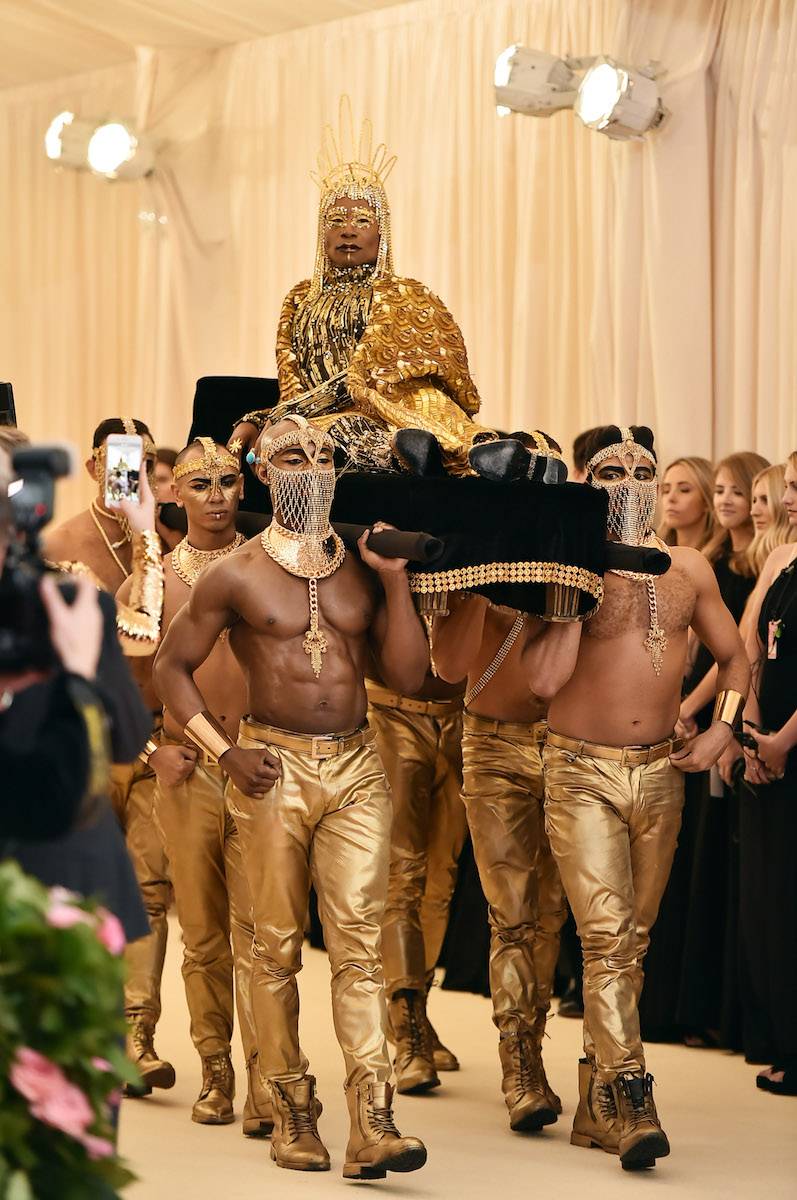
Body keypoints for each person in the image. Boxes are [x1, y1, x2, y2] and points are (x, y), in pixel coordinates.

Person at [154, 414, 428, 1179]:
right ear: (264, 473)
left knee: (360, 949)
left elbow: (406, 678)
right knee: (271, 947)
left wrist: (396, 582)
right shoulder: (234, 572)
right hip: (270, 767)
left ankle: (373, 1121)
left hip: (356, 766)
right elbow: (172, 669)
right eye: (291, 455)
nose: (309, 465)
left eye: (322, 454)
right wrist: (224, 750)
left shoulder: (360, 565)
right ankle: (289, 1107)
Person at [538, 425, 749, 1171]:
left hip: (658, 771)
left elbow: (733, 660)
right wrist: (571, 592)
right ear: (584, 479)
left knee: (633, 942)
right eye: (612, 470)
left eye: (641, 469)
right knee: (604, 937)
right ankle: (630, 1097)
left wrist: (722, 733)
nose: (629, 482)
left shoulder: (688, 566)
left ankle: (595, 1100)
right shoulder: (567, 560)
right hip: (578, 771)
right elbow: (538, 683)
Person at [226, 99, 560, 485]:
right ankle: (421, 455)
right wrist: (265, 418)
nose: (348, 230)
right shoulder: (300, 298)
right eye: (336, 221)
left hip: (401, 402)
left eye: (362, 220)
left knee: (430, 408)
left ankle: (508, 455)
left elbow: (398, 374)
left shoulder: (402, 292)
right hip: (330, 416)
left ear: (381, 232)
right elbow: (293, 385)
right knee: (329, 434)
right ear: (322, 232)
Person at [117, 437, 270, 1133]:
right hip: (187, 770)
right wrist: (152, 750)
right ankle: (216, 1071)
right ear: (173, 492)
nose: (214, 494)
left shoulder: (273, 564)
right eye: (199, 483)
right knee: (204, 934)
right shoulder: (152, 582)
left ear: (244, 488)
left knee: (265, 934)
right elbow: (117, 687)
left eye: (226, 481)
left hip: (265, 768)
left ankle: (273, 1079)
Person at [45, 416, 174, 1097]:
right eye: (119, 459)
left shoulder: (175, 542)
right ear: (94, 466)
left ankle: (137, 1037)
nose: (131, 471)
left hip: (159, 741)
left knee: (149, 892)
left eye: (145, 459)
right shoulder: (59, 544)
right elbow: (121, 640)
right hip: (85, 742)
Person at [431, 590, 576, 1134]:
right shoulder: (489, 557)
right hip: (492, 743)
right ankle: (519, 1066)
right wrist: (480, 586)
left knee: (552, 911)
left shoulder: (576, 553)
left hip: (571, 743)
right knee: (511, 911)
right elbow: (445, 666)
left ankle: (532, 1050)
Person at [673, 451, 767, 1047]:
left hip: (716, 720)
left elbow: (734, 654)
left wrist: (708, 716)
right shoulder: (689, 561)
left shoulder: (734, 569)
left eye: (749, 493)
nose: (743, 504)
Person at [368, 664, 467, 1093]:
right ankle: (405, 1025)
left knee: (441, 879)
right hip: (392, 711)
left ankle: (417, 1007)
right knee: (402, 874)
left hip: (463, 717)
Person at [737, 451, 797, 1095]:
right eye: (789, 488)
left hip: (792, 747)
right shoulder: (782, 560)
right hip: (767, 744)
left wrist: (782, 741)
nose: (788, 500)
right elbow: (752, 644)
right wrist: (752, 731)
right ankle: (780, 1034)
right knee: (768, 900)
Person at [658, 457, 717, 550]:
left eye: (684, 490)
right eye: (666, 490)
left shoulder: (725, 559)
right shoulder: (653, 552)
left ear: (707, 500)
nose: (671, 498)